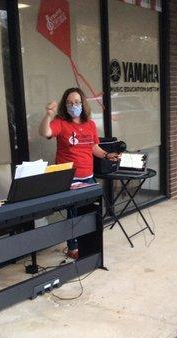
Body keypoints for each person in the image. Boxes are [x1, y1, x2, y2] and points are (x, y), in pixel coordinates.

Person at [39, 87, 119, 259]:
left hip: (88, 177)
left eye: (76, 102)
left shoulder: (90, 125)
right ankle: (73, 247)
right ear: (64, 105)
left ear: (83, 104)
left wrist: (106, 155)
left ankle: (89, 243)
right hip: (69, 178)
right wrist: (48, 115)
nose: (73, 105)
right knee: (74, 212)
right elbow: (45, 132)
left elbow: (93, 147)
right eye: (69, 102)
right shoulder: (61, 122)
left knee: (91, 211)